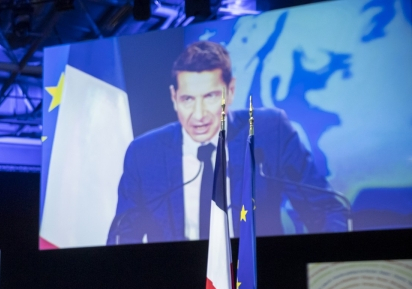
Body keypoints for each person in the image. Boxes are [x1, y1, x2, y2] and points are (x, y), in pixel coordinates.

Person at [107, 41, 348, 245]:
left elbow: (326, 211)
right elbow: (122, 237)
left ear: (230, 91)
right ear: (174, 97)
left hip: (255, 286)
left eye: (211, 97)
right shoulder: (145, 154)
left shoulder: (269, 132)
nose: (199, 114)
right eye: (188, 99)